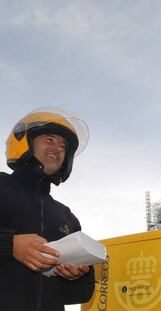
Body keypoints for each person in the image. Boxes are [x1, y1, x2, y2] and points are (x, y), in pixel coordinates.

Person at [0, 107, 95, 310]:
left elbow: (77, 295)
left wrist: (77, 275)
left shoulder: (67, 217)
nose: (58, 148)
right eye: (50, 139)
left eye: (63, 146)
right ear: (23, 142)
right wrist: (10, 245)